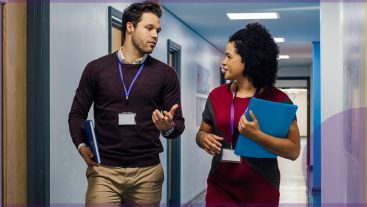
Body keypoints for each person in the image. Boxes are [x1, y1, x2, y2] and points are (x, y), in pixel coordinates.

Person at [68, 1, 185, 206]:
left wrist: (168, 128)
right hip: (104, 171)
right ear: (130, 27)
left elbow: (178, 124)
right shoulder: (96, 69)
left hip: (147, 173)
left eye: (158, 30)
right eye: (149, 28)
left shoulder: (166, 74)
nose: (155, 35)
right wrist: (81, 145)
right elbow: (77, 114)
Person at [195, 22, 300, 206]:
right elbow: (202, 132)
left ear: (248, 60)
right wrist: (203, 138)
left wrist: (257, 135)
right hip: (220, 186)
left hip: (261, 189)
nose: (223, 62)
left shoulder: (278, 100)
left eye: (229, 56)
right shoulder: (216, 96)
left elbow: (293, 151)